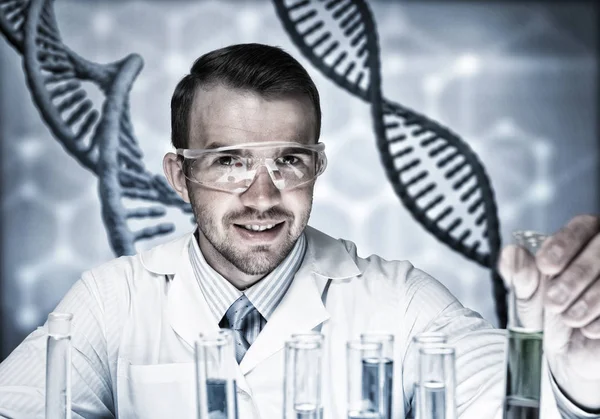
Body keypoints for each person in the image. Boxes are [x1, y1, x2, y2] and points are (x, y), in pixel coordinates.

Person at [0, 43, 599, 419]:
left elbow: (505, 402)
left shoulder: (401, 300)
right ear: (180, 174)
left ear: (318, 167)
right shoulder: (113, 300)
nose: (262, 197)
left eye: (288, 161)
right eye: (230, 161)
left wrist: (573, 373)